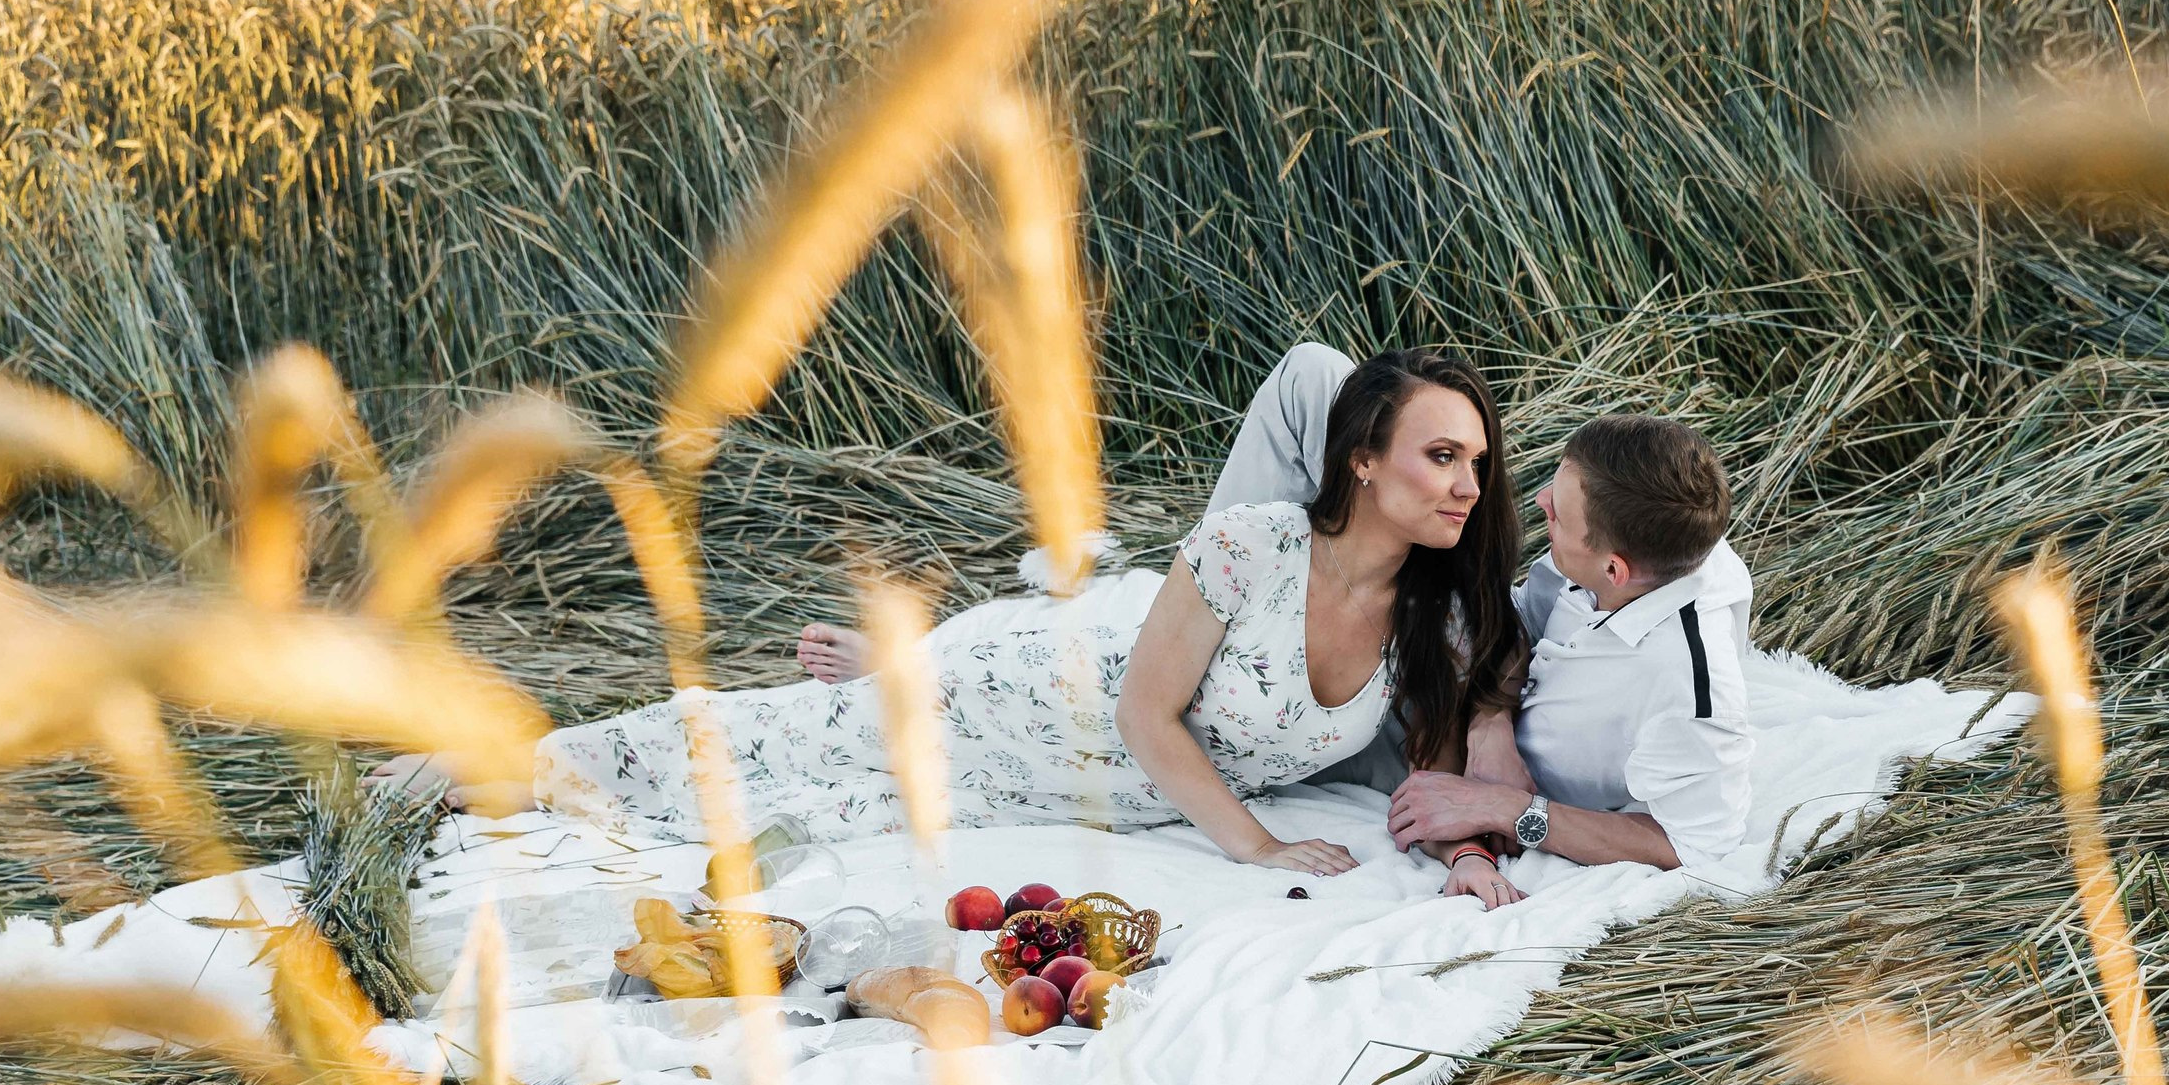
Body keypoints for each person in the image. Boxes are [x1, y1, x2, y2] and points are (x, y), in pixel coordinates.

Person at [376, 349, 1528, 885]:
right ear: (1364, 462)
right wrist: (1257, 844)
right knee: (777, 737)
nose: (1466, 481)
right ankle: (485, 764)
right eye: (1438, 454)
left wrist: (1476, 851)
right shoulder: (1255, 544)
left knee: (814, 815)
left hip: (1070, 792)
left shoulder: (1433, 623)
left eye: (1476, 459)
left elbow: (1435, 779)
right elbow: (1144, 712)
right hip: (1032, 695)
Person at [1186, 343, 1755, 900]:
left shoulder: (1692, 691)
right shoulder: (1660, 523)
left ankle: (1213, 635)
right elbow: (1515, 624)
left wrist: (1505, 810)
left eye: (1560, 509)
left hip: (1421, 727)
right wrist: (1493, 718)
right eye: (1557, 483)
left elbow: (1692, 845)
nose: (1539, 502)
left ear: (1614, 569)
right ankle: (1198, 600)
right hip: (1457, 672)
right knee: (1315, 375)